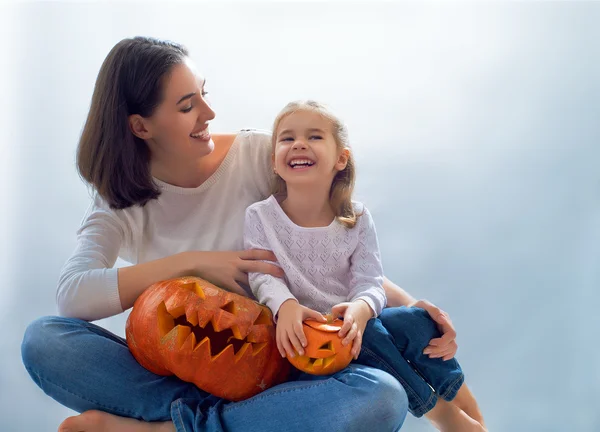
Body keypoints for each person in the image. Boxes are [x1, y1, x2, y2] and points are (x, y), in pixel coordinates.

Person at [20, 36, 457, 432]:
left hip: (281, 372)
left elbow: (331, 248)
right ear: (140, 126)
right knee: (45, 341)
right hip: (180, 377)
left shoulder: (258, 156)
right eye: (187, 105)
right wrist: (191, 263)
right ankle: (235, 424)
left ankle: (167, 430)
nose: (209, 113)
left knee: (382, 397)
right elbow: (72, 296)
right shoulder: (116, 200)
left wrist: (418, 313)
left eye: (204, 95)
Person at [244, 100, 486, 431]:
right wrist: (284, 305)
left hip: (357, 324)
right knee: (368, 334)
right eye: (287, 139)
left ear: (340, 159)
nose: (298, 144)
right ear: (274, 161)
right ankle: (438, 412)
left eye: (314, 137)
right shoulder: (260, 216)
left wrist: (360, 308)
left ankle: (462, 402)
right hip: (309, 343)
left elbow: (370, 280)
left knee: (415, 321)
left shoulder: (356, 218)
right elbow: (262, 274)